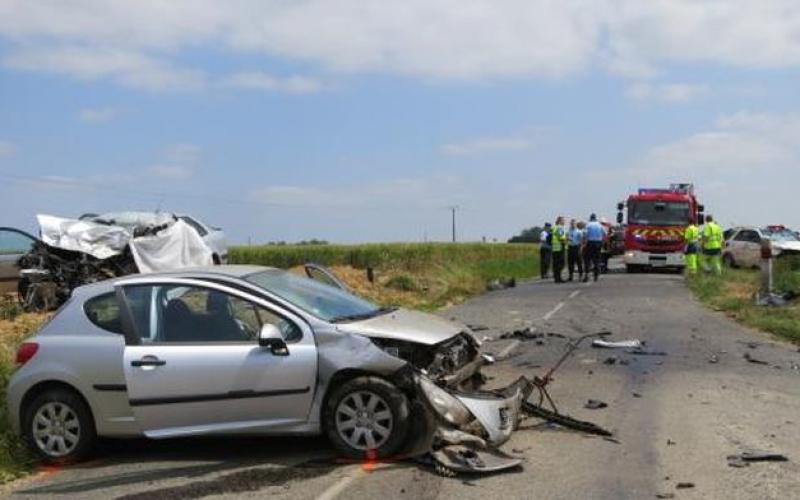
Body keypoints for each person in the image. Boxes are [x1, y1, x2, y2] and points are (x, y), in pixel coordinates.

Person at [583, 213, 606, 282]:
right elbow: (605, 234)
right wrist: (602, 241)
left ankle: (587, 275)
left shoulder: (588, 225)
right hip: (598, 243)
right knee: (596, 259)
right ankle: (596, 275)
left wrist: (584, 243)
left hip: (590, 243)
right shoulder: (600, 225)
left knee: (587, 259)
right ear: (596, 218)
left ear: (590, 218)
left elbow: (585, 234)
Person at [551, 217, 567, 283]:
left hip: (554, 246)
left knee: (555, 263)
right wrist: (566, 242)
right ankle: (558, 278)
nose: (564, 222)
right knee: (561, 263)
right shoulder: (560, 228)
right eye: (563, 221)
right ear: (560, 221)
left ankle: (556, 277)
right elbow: (561, 237)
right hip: (560, 246)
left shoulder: (553, 227)